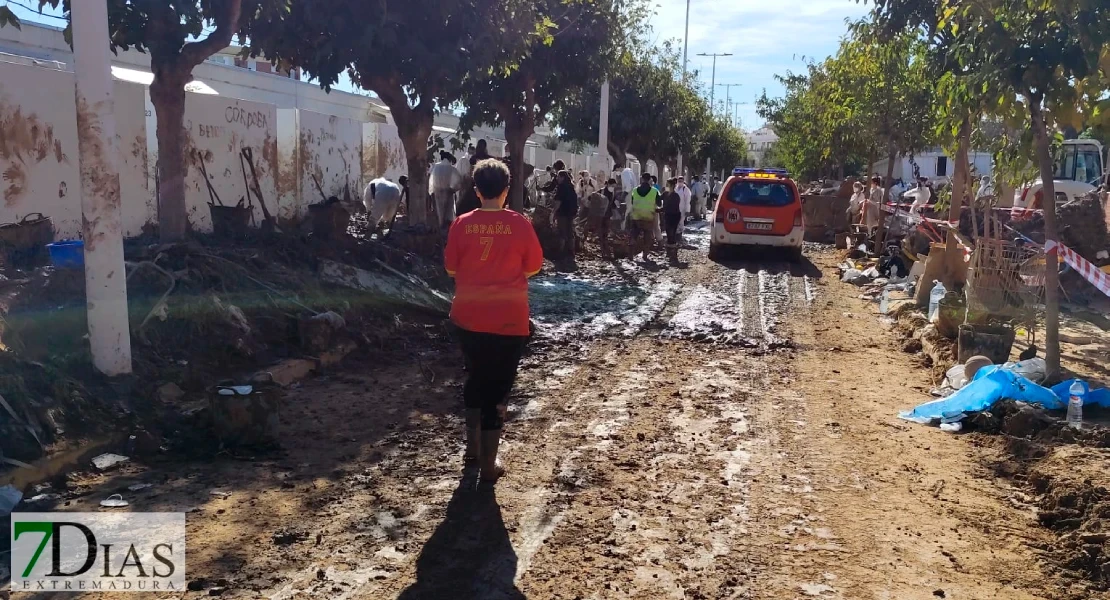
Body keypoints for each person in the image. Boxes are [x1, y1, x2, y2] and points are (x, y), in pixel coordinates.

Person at [445, 158, 543, 483]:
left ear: (475, 190)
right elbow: (533, 268)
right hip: (508, 322)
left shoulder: (460, 224)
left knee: (474, 376)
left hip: (468, 317)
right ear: (506, 190)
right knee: (498, 388)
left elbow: (451, 270)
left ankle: (472, 450)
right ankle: (489, 463)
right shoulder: (520, 224)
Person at [626, 172, 660, 261]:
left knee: (634, 234)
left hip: (636, 216)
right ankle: (645, 255)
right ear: (650, 180)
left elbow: (632, 202)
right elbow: (659, 203)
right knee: (647, 235)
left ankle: (630, 254)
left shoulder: (634, 190)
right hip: (648, 216)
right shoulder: (654, 191)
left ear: (641, 179)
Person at [430, 151, 463, 231]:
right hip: (447, 192)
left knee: (438, 212)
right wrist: (454, 189)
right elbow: (460, 181)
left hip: (436, 192)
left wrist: (431, 192)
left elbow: (430, 180)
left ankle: (438, 231)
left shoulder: (435, 167)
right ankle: (447, 232)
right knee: (448, 213)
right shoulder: (451, 168)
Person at [553, 170, 579, 258]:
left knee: (562, 232)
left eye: (558, 177)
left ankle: (560, 252)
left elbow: (558, 201)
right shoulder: (571, 187)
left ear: (562, 177)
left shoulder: (561, 187)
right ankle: (571, 252)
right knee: (570, 231)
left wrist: (553, 212)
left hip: (562, 212)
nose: (557, 178)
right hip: (571, 213)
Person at [662, 178, 683, 264]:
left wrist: (660, 209)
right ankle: (669, 252)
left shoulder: (675, 196)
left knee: (672, 233)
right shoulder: (665, 194)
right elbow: (658, 199)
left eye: (667, 184)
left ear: (671, 186)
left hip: (674, 216)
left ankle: (673, 253)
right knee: (668, 232)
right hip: (667, 215)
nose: (666, 186)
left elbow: (670, 207)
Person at [675, 176, 692, 240]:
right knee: (676, 222)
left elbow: (688, 201)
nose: (680, 182)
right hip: (675, 208)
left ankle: (679, 235)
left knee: (681, 222)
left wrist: (687, 210)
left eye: (681, 181)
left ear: (683, 181)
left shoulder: (686, 189)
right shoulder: (676, 188)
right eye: (679, 181)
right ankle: (676, 235)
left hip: (682, 209)